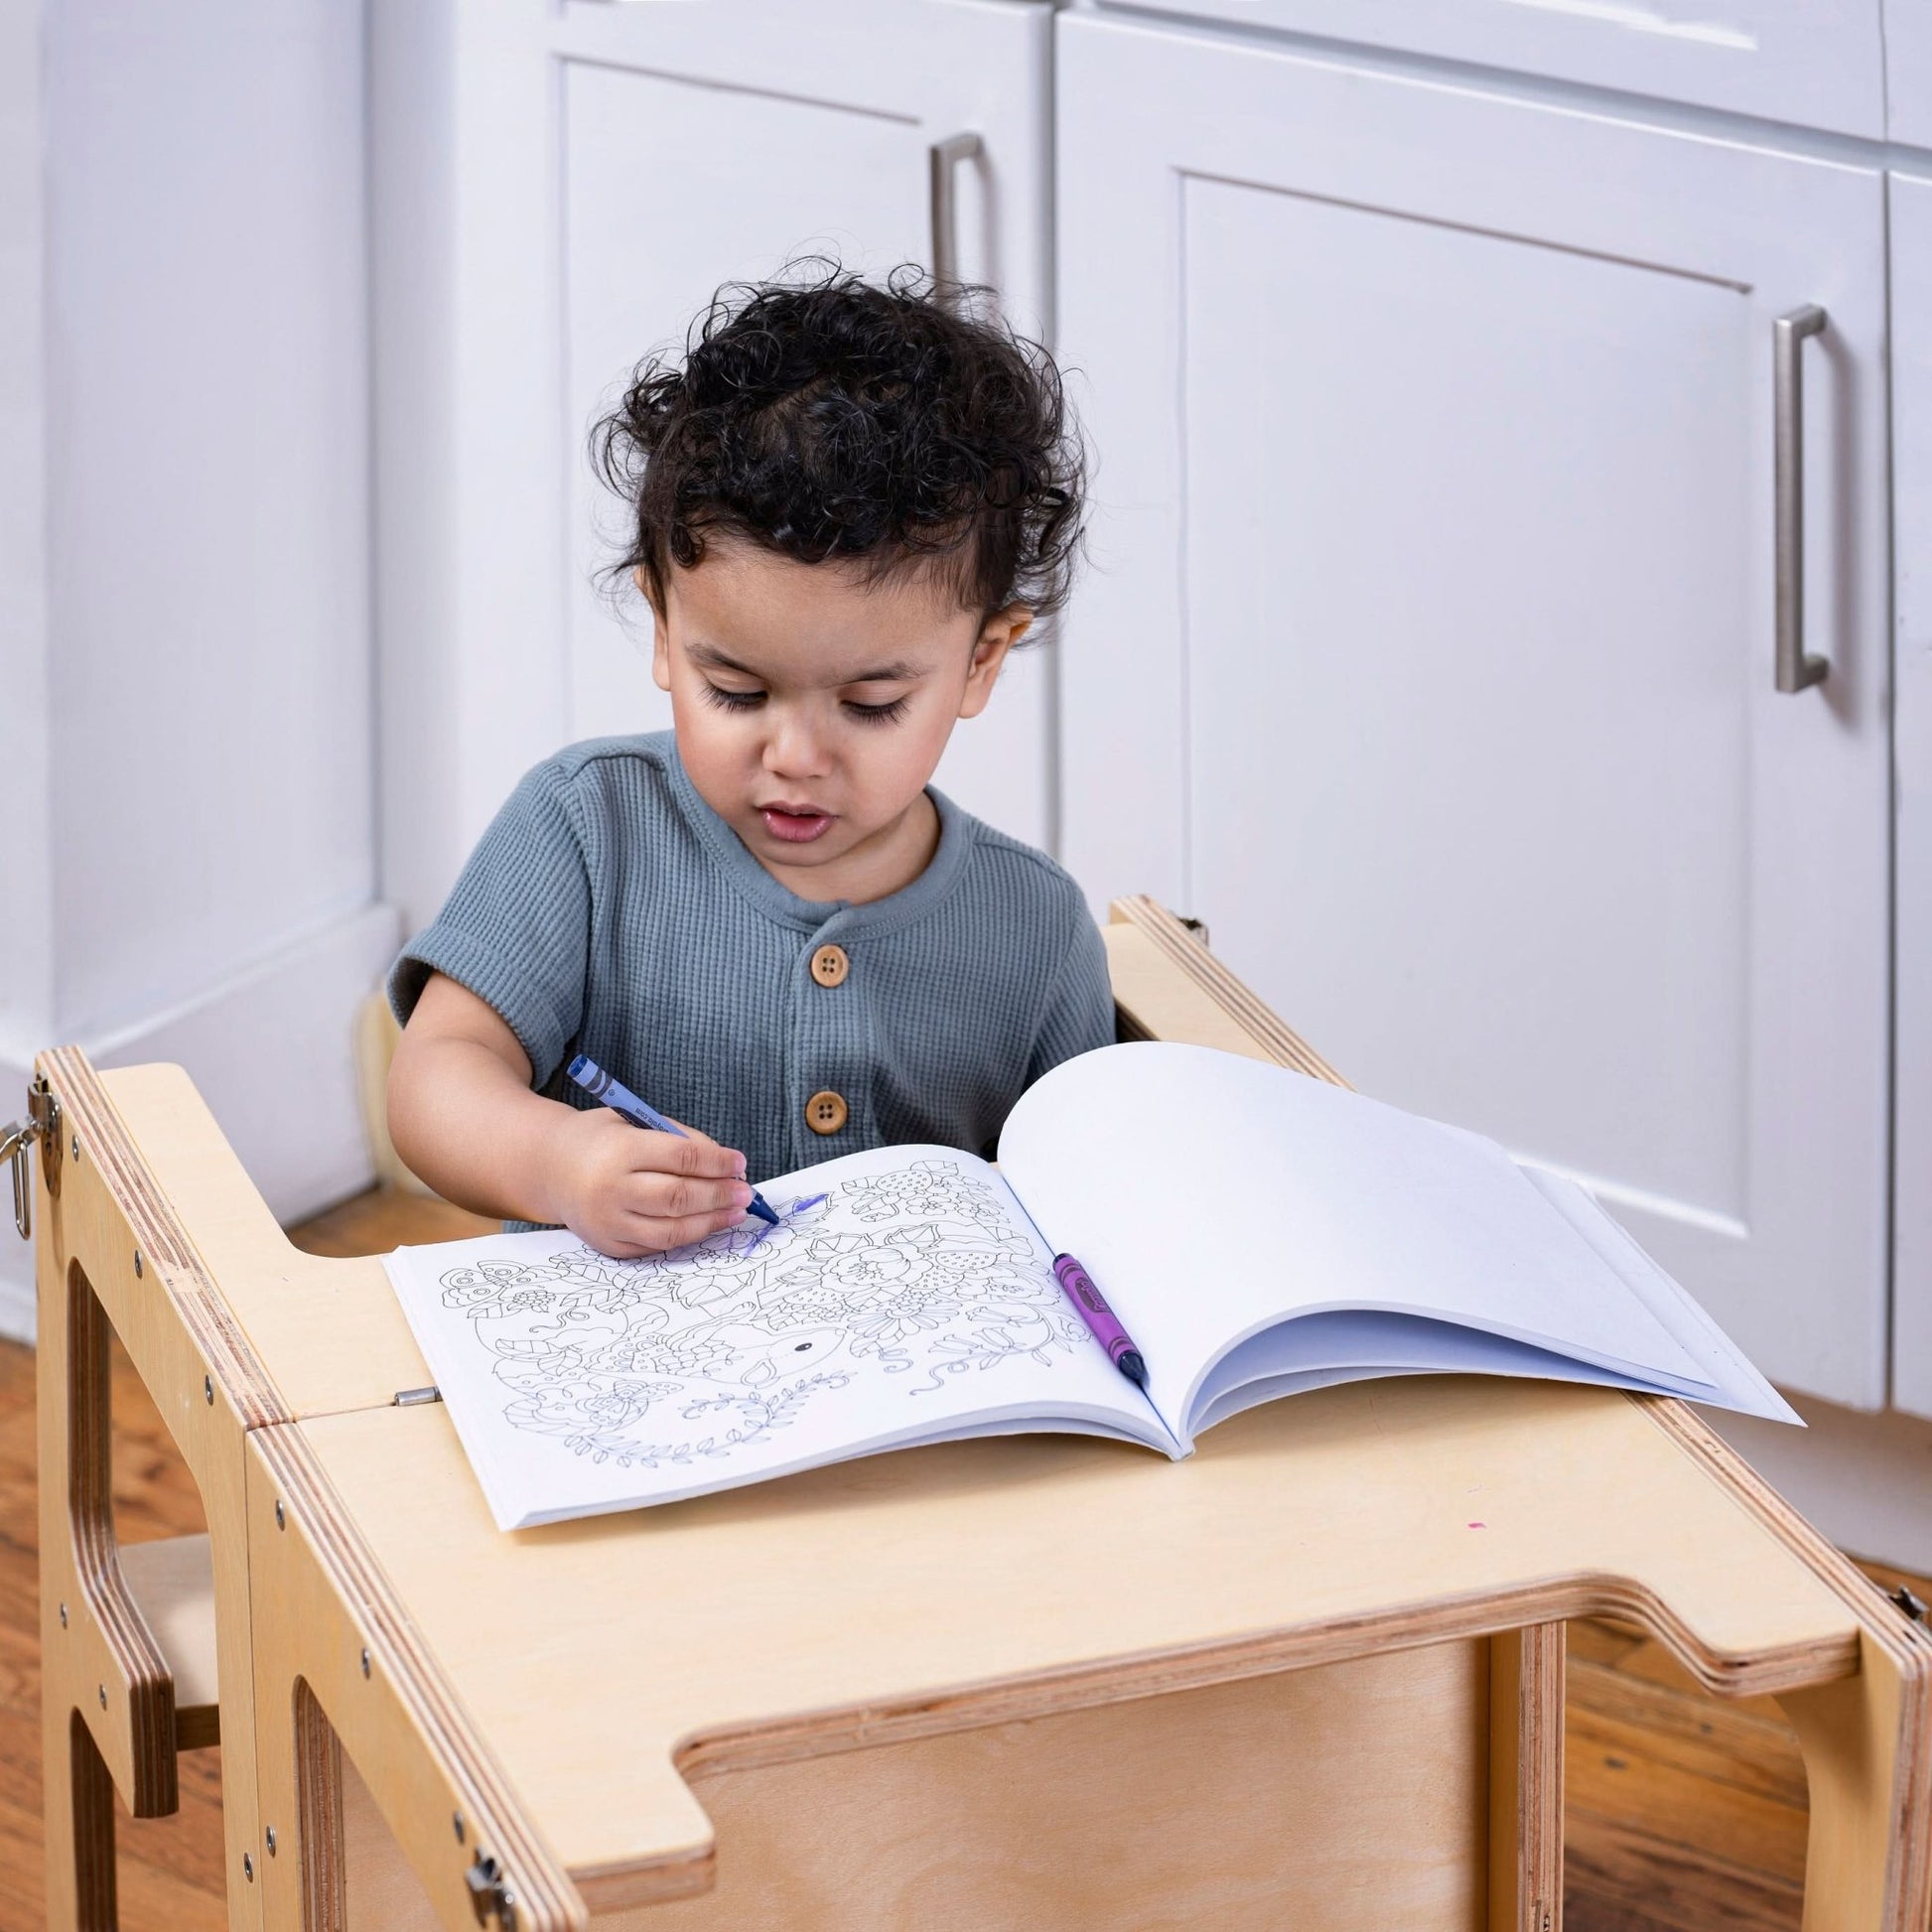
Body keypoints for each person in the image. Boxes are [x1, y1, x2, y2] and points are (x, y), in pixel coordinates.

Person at [386, 265, 1115, 1258]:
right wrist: (562, 1161)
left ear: (980, 660)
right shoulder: (584, 829)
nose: (794, 756)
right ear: (662, 625)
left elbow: (1086, 1191)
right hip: (621, 1379)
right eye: (735, 691)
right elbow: (437, 1077)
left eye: (869, 705)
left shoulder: (1034, 929)